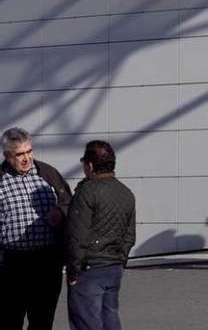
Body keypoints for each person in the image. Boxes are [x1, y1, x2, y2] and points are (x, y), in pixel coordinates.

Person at [0, 127, 72, 330]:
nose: (26, 158)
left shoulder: (47, 173)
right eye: (19, 154)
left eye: (29, 151)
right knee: (9, 319)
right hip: (12, 264)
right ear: (7, 156)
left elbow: (69, 202)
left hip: (47, 262)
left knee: (42, 319)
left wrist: (60, 211)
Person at [66, 141, 136, 330]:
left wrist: (73, 269)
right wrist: (120, 260)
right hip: (113, 266)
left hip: (89, 268)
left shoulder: (87, 192)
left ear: (89, 166)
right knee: (110, 317)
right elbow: (130, 235)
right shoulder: (126, 192)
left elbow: (77, 236)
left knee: (87, 322)